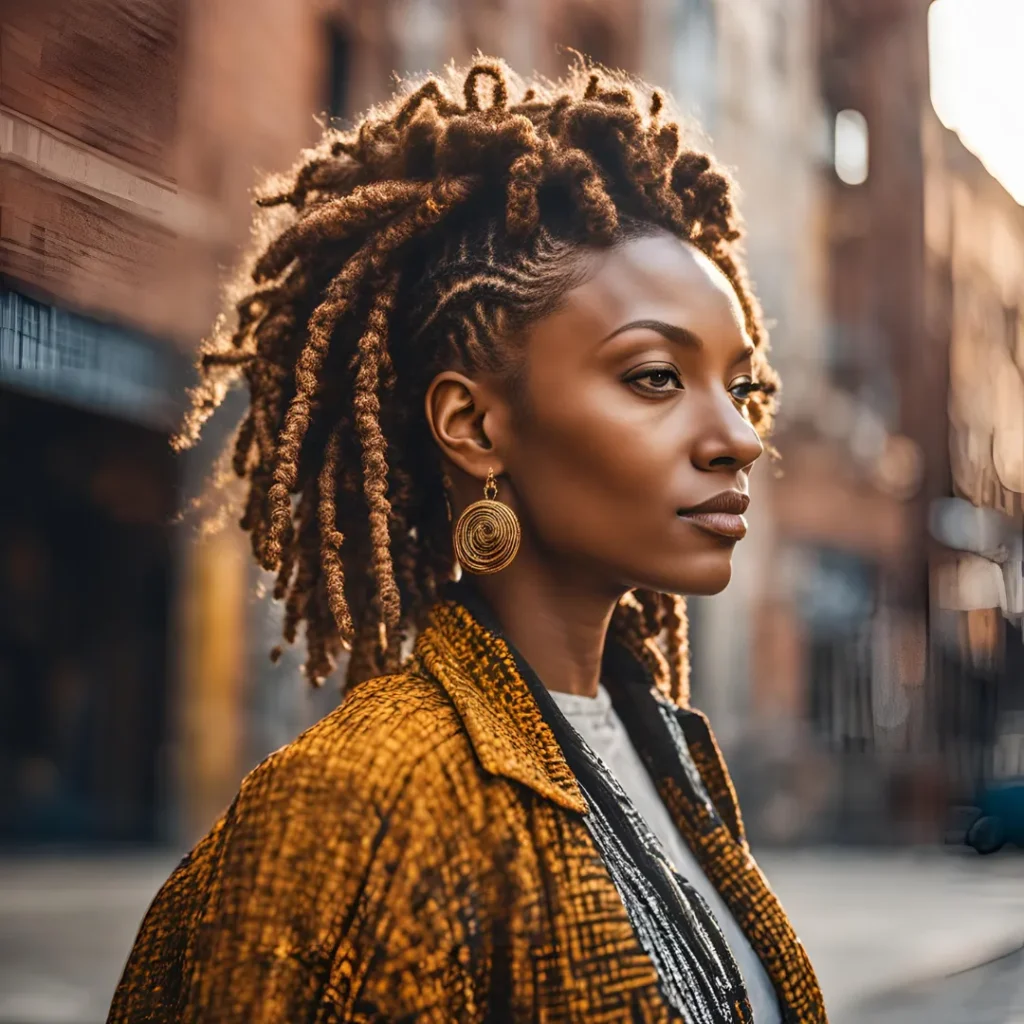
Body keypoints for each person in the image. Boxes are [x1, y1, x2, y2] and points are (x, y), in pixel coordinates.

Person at [107, 58, 827, 1023]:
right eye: (655, 376)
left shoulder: (673, 760)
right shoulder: (355, 803)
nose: (740, 436)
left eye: (738, 389)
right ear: (475, 426)